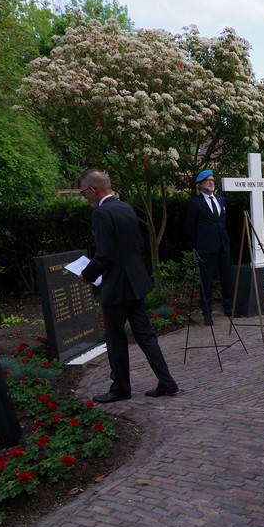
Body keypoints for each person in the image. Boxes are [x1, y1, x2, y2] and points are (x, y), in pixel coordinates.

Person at [77, 169, 180, 402]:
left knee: (115, 339)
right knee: (145, 335)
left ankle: (120, 389)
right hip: (136, 282)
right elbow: (139, 247)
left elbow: (105, 254)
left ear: (93, 190)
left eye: (84, 192)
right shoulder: (126, 208)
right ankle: (166, 381)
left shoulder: (101, 213)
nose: (85, 197)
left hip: (116, 287)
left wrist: (87, 274)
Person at [186, 169, 235, 326]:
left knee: (227, 279)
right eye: (208, 180)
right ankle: (207, 313)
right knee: (207, 282)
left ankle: (228, 308)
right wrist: (198, 245)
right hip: (206, 248)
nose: (211, 182)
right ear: (201, 184)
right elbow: (190, 227)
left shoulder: (221, 199)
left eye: (212, 179)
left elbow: (223, 222)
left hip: (223, 246)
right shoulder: (195, 203)